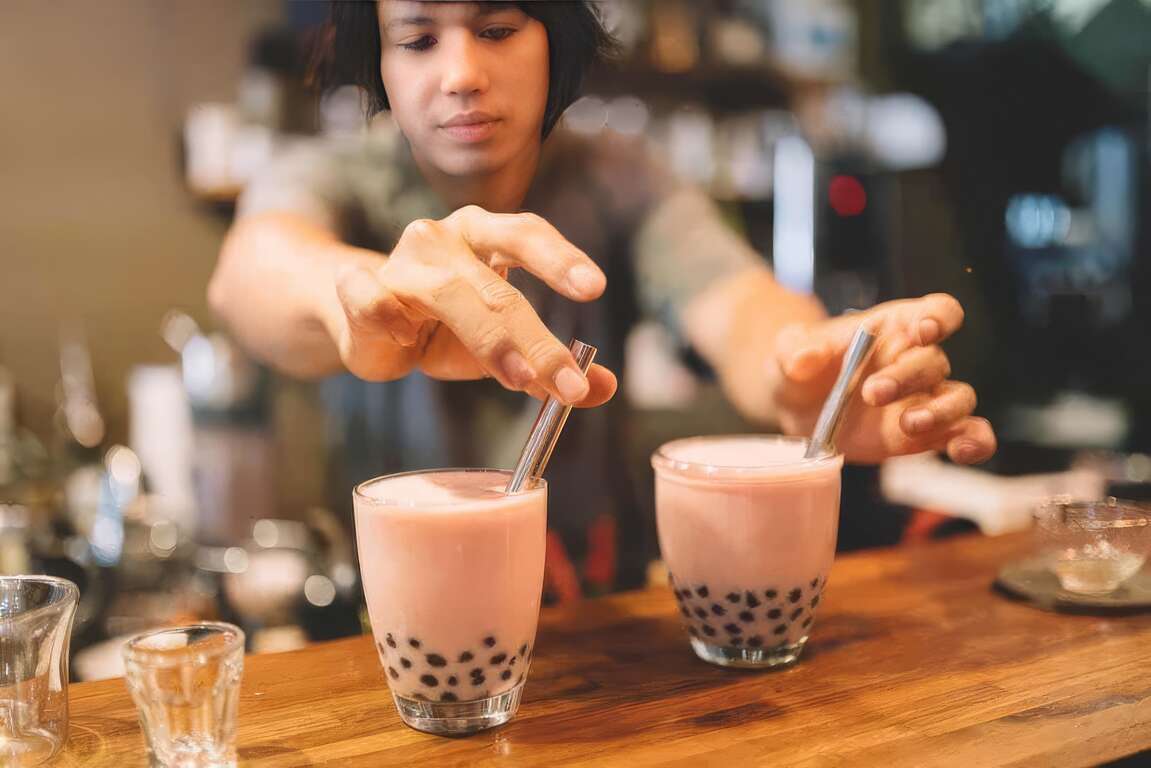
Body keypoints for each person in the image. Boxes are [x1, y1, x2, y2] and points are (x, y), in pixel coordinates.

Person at [209, 1, 997, 593]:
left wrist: (805, 370)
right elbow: (251, 271)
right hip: (387, 607)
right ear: (376, 64)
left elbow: (740, 305)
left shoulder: (619, 176)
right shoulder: (334, 176)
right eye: (416, 40)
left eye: (496, 28)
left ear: (556, 38)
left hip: (598, 602)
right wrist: (356, 296)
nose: (459, 75)